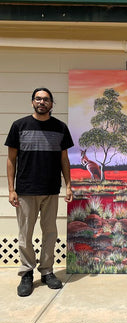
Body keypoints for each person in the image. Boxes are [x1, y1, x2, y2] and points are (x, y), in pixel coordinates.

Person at [5, 87, 74, 297]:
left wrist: (68, 185)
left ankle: (47, 271)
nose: (41, 102)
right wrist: (11, 189)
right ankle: (26, 272)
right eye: (38, 98)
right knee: (25, 234)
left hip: (51, 189)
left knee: (50, 232)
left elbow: (64, 159)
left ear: (52, 104)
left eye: (46, 99)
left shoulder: (60, 128)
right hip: (26, 189)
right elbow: (11, 160)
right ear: (32, 102)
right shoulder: (19, 126)